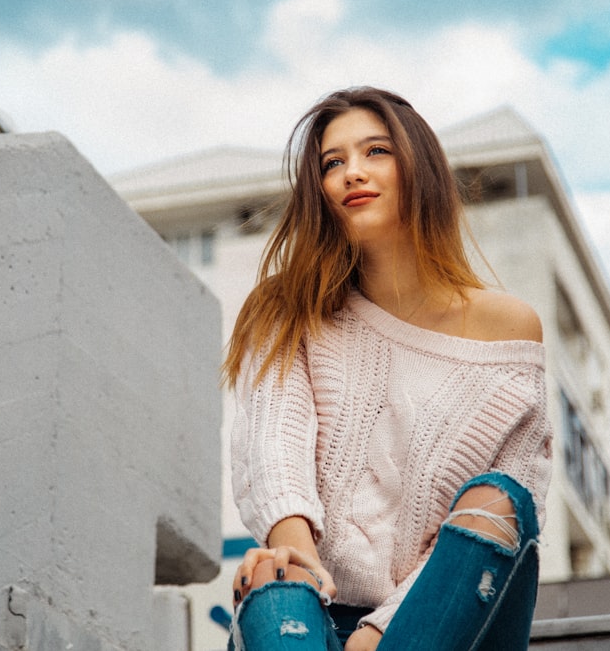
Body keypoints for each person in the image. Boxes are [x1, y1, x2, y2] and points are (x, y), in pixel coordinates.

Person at [223, 86, 553, 651]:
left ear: (418, 167)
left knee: (502, 499)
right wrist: (292, 557)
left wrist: (378, 634)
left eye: (376, 151)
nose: (352, 172)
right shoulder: (289, 308)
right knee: (272, 578)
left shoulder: (509, 330)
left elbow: (512, 508)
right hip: (313, 619)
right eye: (333, 162)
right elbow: (275, 449)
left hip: (438, 624)